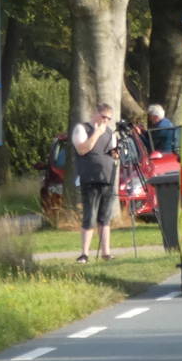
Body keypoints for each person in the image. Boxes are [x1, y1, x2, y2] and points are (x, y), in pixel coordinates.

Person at [71, 101, 122, 262]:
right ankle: (84, 253)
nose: (106, 121)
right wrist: (97, 133)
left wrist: (115, 154)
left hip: (107, 178)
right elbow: (82, 149)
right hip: (89, 178)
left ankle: (106, 252)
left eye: (109, 118)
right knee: (89, 216)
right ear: (96, 114)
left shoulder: (110, 132)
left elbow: (112, 153)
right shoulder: (82, 129)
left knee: (105, 217)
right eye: (103, 117)